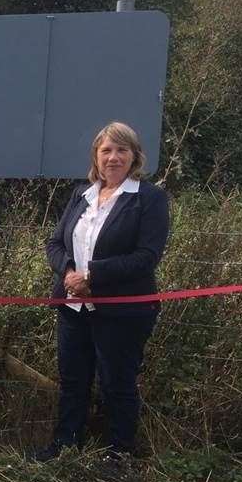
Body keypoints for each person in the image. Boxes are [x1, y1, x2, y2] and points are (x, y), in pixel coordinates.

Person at [36, 122, 169, 462]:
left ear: (134, 156)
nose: (113, 157)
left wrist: (92, 276)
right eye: (106, 150)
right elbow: (54, 242)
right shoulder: (82, 194)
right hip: (73, 307)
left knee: (117, 383)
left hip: (122, 312)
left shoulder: (148, 199)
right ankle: (66, 445)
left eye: (121, 150)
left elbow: (146, 257)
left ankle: (120, 453)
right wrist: (67, 271)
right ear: (96, 156)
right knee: (72, 380)